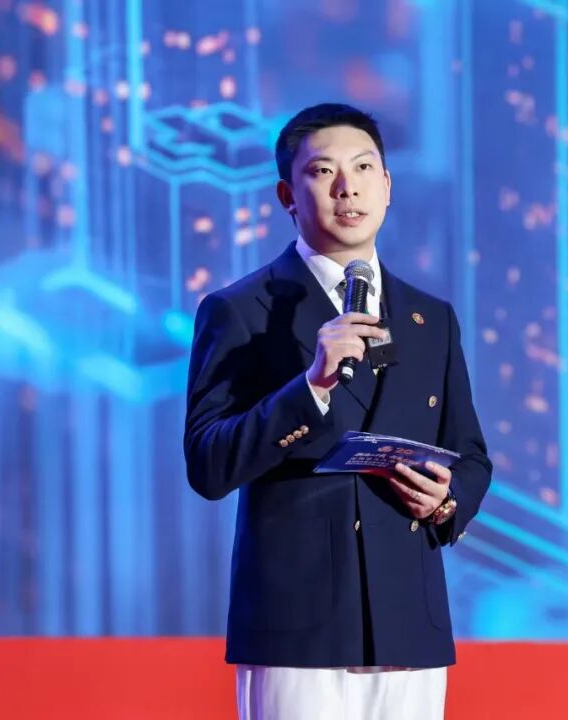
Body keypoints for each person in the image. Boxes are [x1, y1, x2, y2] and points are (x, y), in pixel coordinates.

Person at [183, 102, 491, 720]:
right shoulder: (242, 310)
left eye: (363, 167)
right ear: (287, 196)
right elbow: (209, 465)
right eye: (323, 171)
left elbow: (471, 456)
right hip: (297, 625)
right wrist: (311, 387)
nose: (347, 187)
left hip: (408, 621)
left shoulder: (432, 319)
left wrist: (445, 501)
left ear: (387, 186)